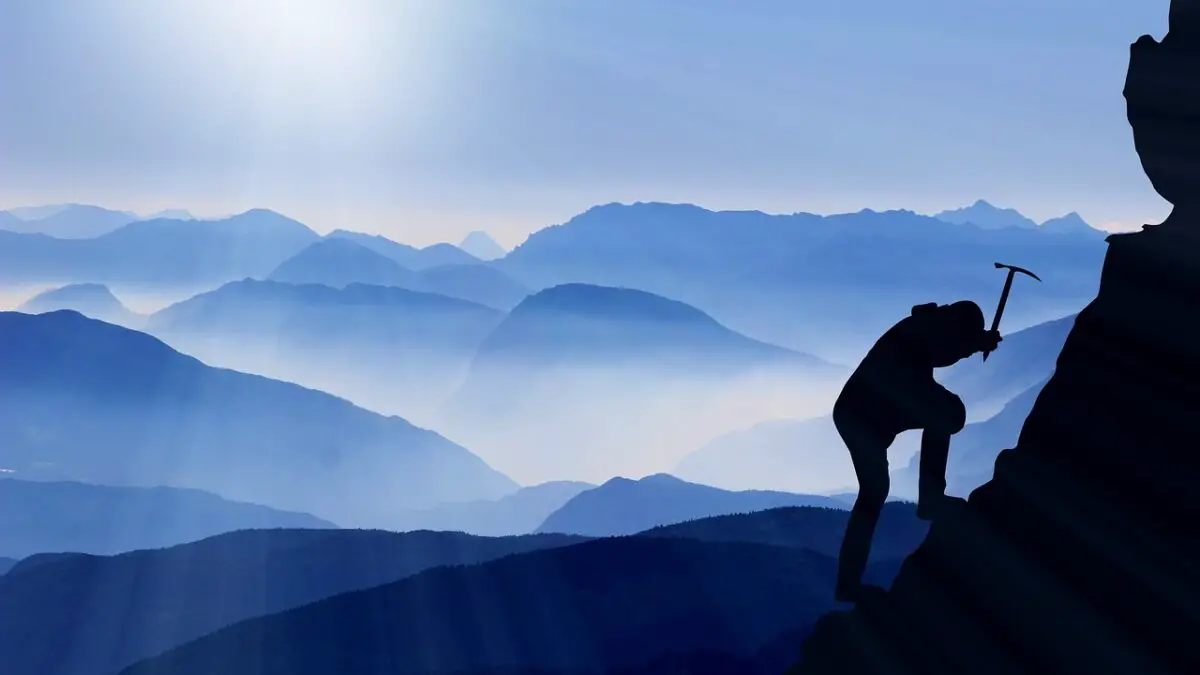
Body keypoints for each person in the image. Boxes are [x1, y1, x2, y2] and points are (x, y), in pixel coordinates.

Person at [832, 300, 1002, 603]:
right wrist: (977, 343)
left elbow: (942, 350)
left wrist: (975, 342)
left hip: (863, 412)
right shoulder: (924, 331)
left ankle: (848, 583)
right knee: (944, 415)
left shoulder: (923, 326)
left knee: (873, 494)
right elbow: (942, 350)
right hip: (865, 414)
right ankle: (930, 499)